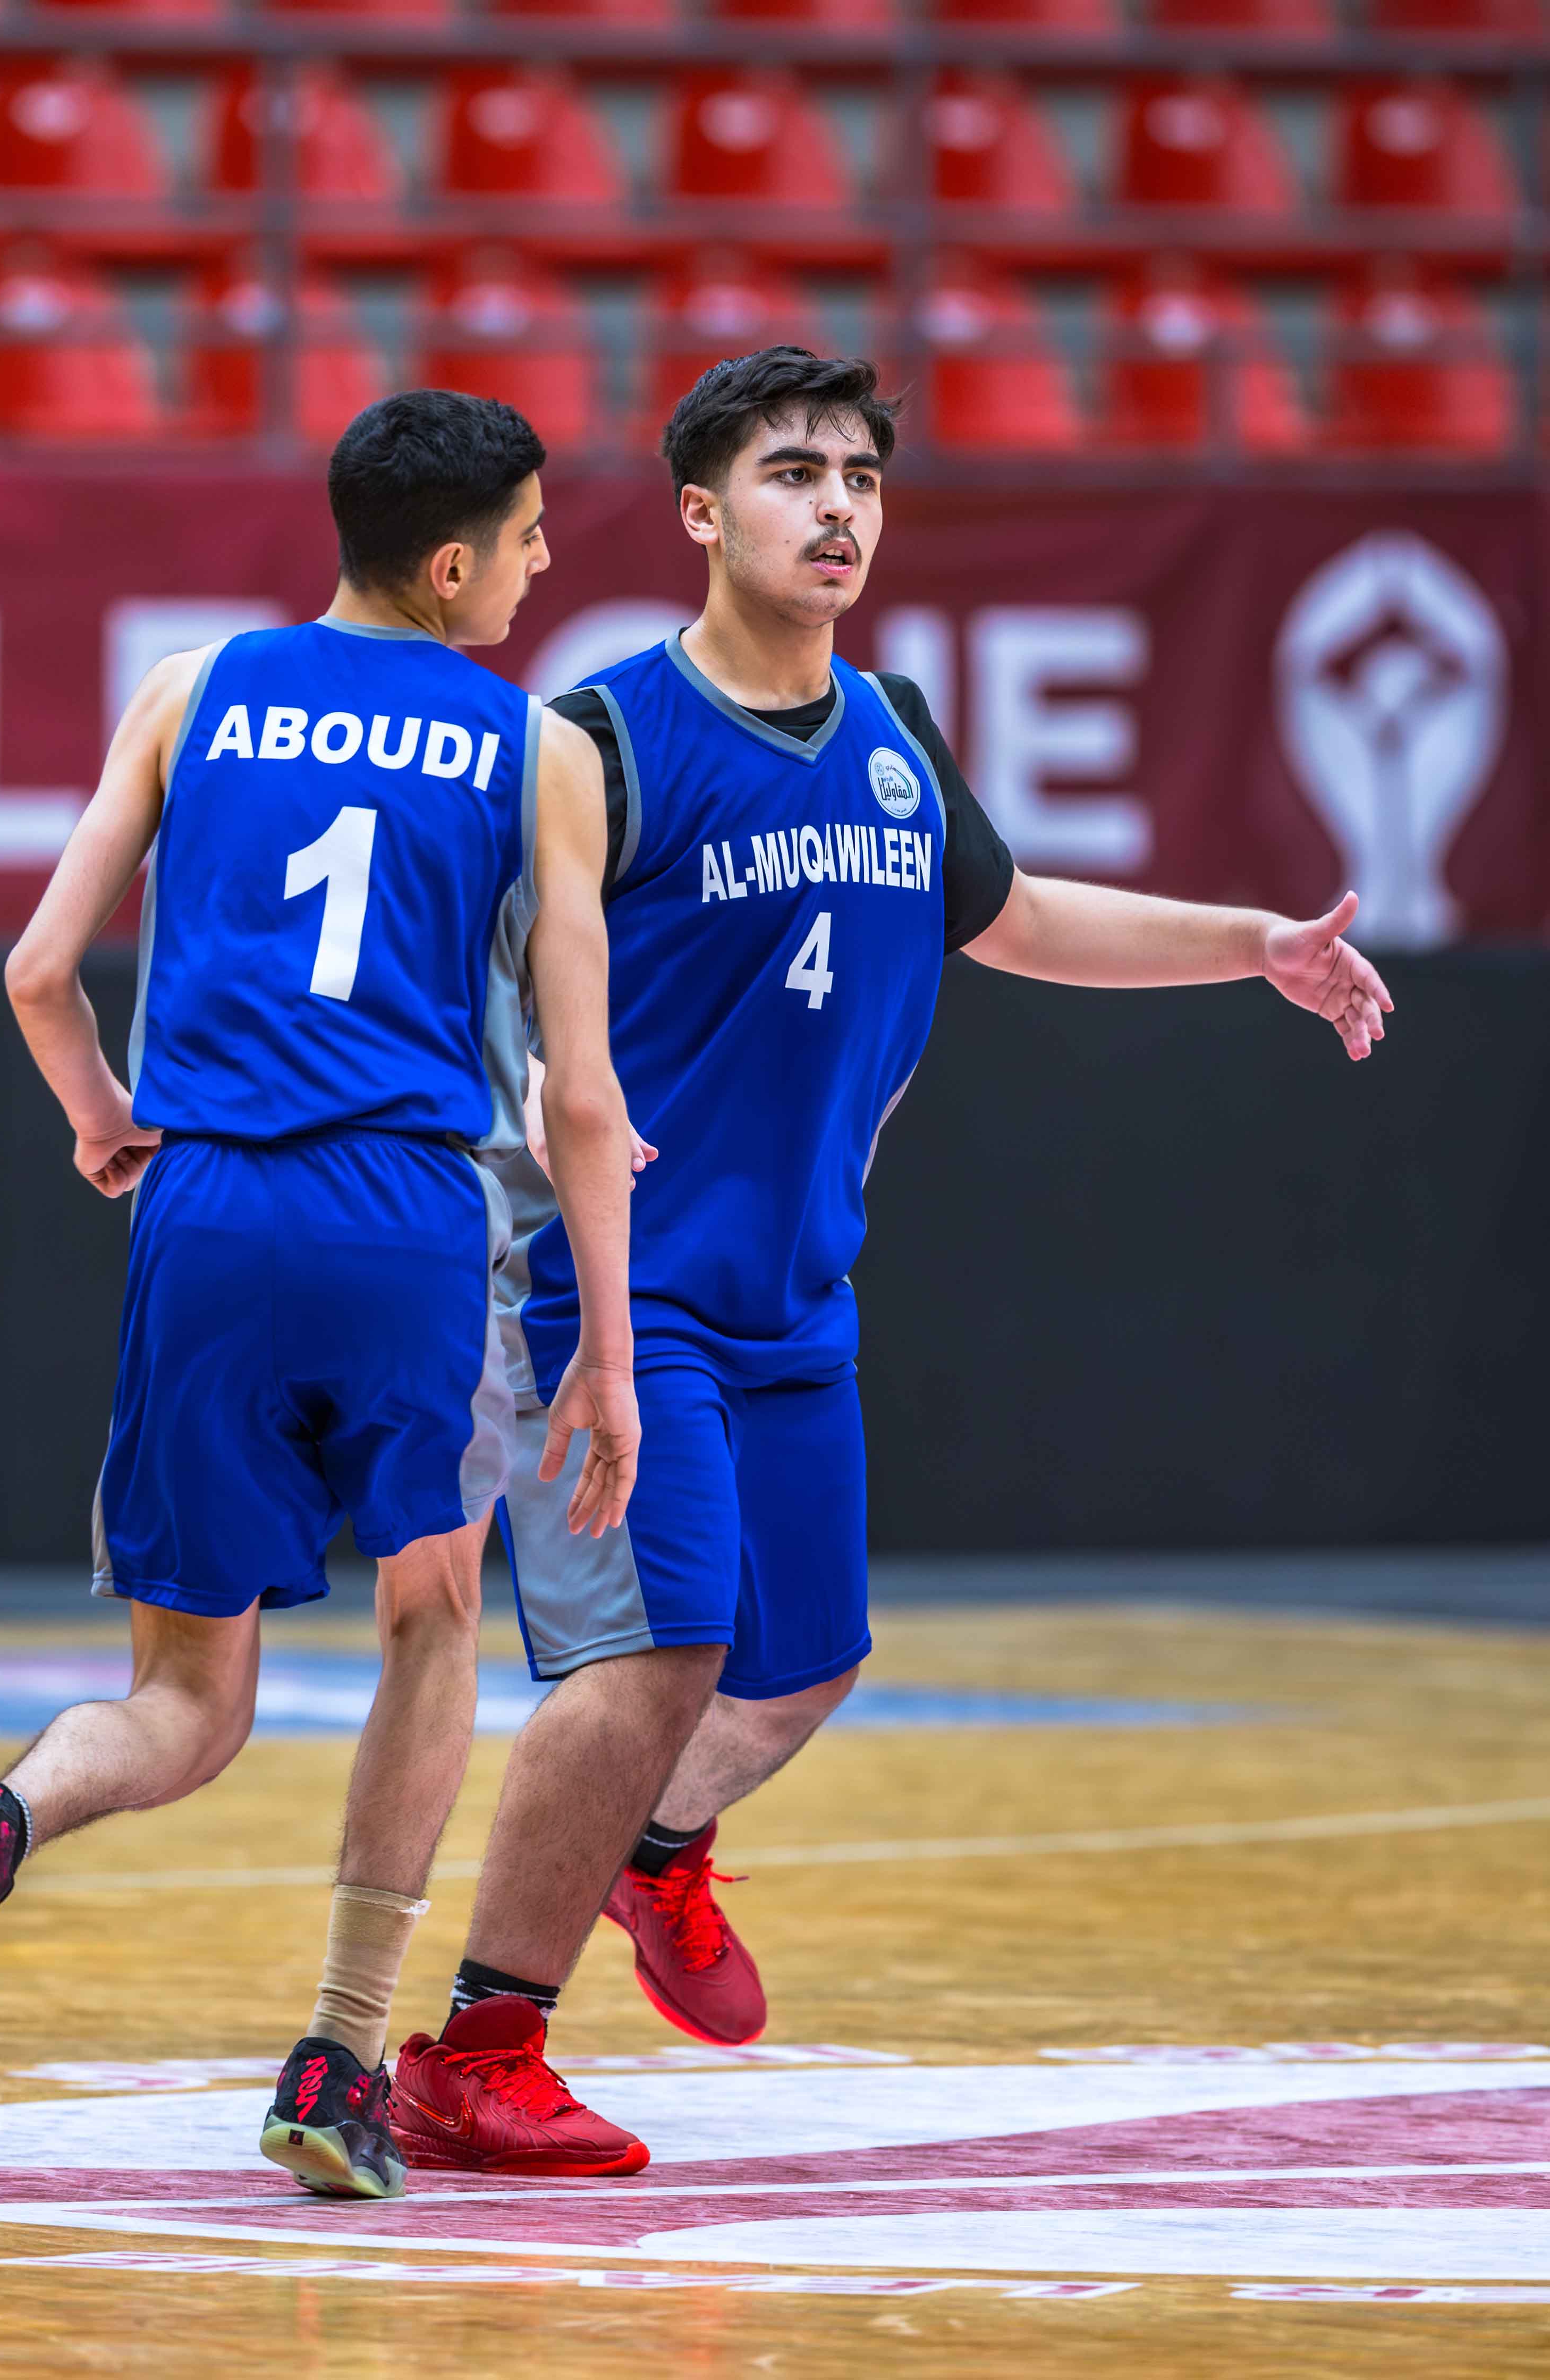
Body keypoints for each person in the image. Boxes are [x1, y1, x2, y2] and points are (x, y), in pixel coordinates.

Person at [386, 346, 1394, 2174]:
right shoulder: (599, 738)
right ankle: (475, 2051)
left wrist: (1252, 942)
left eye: (860, 476)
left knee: (808, 1669)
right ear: (702, 514)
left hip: (796, 1293)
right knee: (660, 1657)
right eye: (794, 474)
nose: (838, 506)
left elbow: (1018, 917)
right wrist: (517, 1132)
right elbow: (483, 977)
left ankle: (654, 1852)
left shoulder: (898, 730)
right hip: (622, 1288)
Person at [0, 390, 641, 2205]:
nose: (544, 562)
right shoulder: (537, 747)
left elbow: (39, 972)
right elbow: (581, 1095)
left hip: (206, 1211)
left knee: (187, 1700)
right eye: (528, 537)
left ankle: (7, 1812)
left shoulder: (192, 691)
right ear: (450, 568)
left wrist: (105, 1121)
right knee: (433, 1621)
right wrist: (614, 1351)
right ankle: (340, 2056)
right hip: (407, 1214)